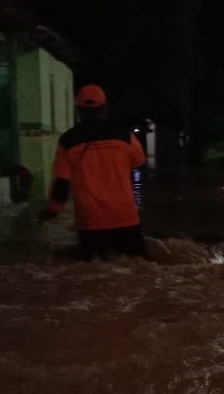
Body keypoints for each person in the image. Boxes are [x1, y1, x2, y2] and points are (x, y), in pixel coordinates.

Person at [38, 84, 148, 261]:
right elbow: (139, 161)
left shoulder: (68, 140)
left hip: (91, 222)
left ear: (79, 110)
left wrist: (52, 211)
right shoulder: (124, 135)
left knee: (91, 276)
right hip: (126, 217)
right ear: (104, 108)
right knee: (140, 271)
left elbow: (61, 185)